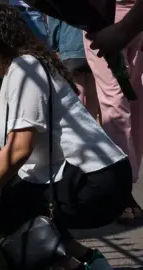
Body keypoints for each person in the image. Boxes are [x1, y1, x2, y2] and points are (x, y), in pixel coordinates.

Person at [0, 4, 132, 269]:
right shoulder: (5, 80)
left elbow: (18, 151)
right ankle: (86, 261)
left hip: (97, 180)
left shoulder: (26, 69)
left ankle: (72, 264)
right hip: (77, 178)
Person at [82, 0, 143, 222]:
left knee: (135, 106)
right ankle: (122, 190)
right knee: (115, 105)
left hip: (136, 18)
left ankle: (126, 184)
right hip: (105, 22)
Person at [47, 17, 100, 121]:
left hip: (70, 49)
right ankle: (92, 133)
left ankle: (79, 131)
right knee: (93, 99)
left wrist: (54, 46)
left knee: (76, 98)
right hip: (94, 47)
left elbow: (54, 21)